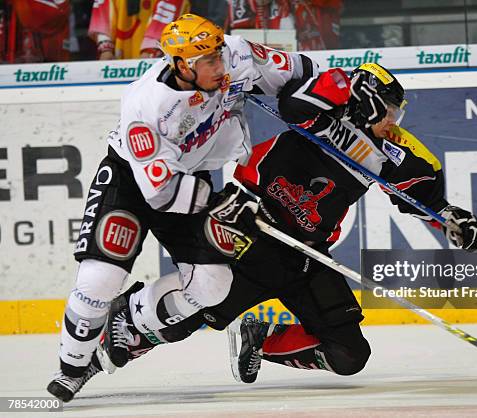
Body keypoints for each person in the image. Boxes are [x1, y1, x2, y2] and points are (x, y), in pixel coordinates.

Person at [97, 62, 477, 386]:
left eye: (397, 114)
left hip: (306, 253)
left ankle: (261, 339)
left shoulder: (395, 150)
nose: (393, 122)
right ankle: (126, 327)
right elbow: (292, 104)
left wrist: (455, 221)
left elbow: (423, 197)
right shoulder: (323, 105)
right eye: (388, 111)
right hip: (250, 227)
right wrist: (346, 95)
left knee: (349, 355)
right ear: (366, 100)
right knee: (193, 311)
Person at [46, 12, 317, 402]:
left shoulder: (236, 57)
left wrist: (314, 97)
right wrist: (221, 203)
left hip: (193, 180)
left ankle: (130, 316)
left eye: (219, 56)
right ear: (180, 65)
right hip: (132, 183)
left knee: (213, 286)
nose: (219, 67)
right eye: (208, 62)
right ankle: (73, 367)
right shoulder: (147, 105)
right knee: (98, 281)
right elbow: (159, 193)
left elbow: (299, 70)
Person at [89, 0, 190, 59]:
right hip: (118, 61)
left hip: (156, 60)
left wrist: (148, 53)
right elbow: (103, 13)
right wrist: (106, 50)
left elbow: (166, 18)